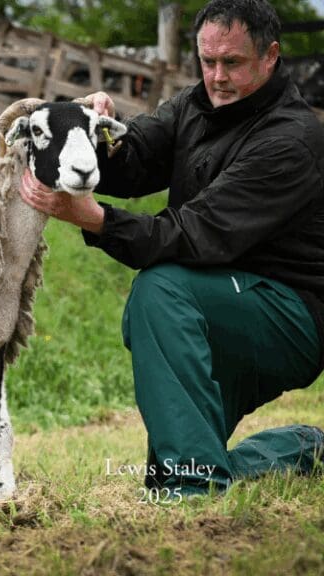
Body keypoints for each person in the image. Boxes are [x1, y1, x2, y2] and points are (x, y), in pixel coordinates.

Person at [20, 0, 324, 497]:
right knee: (170, 468)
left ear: (270, 56)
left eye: (233, 63)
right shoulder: (194, 105)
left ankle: (195, 496)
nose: (217, 77)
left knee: (160, 291)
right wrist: (91, 136)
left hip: (287, 315)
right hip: (215, 298)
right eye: (208, 62)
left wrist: (95, 221)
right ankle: (303, 449)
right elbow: (135, 156)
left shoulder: (291, 140)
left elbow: (193, 235)